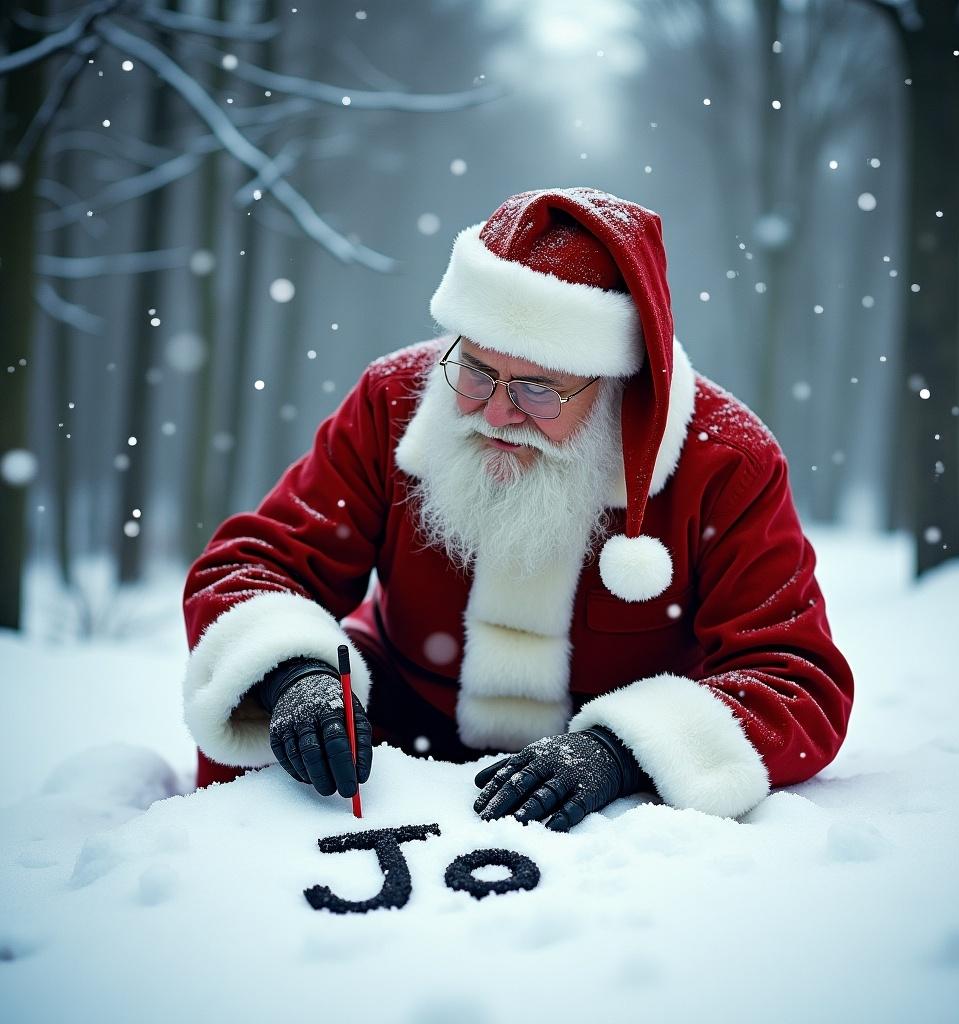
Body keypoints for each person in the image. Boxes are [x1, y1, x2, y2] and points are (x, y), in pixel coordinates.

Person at [182, 186, 854, 830]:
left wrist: (622, 752)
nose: (496, 412)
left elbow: (798, 679)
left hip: (608, 803)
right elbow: (254, 563)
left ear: (618, 381)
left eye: (538, 388)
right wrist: (293, 673)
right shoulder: (393, 402)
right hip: (390, 744)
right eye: (475, 369)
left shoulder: (725, 460)